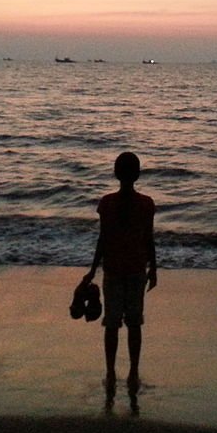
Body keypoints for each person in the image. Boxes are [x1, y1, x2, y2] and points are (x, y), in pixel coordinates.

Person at [84, 151, 157, 397]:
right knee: (135, 323)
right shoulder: (146, 204)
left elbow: (102, 240)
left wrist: (93, 269)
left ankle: (111, 372)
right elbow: (149, 239)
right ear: (137, 174)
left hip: (113, 270)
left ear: (116, 173)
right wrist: (153, 267)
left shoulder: (107, 203)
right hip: (137, 269)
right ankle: (134, 371)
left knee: (112, 324)